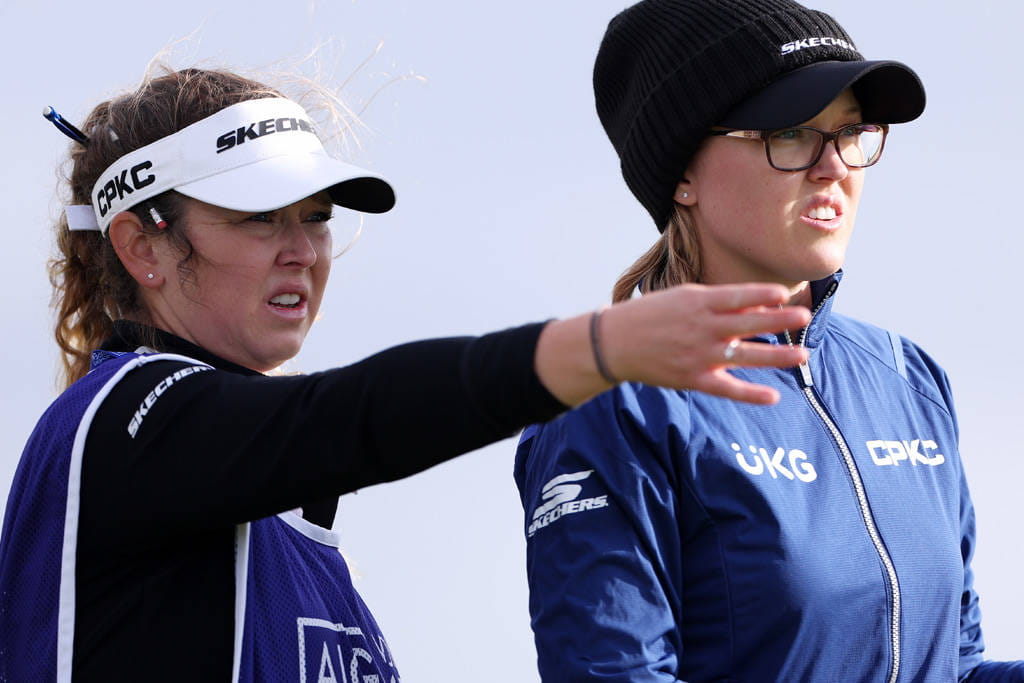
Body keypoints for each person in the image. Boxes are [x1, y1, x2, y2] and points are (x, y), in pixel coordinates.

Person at [0, 67, 812, 682]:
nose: (301, 248)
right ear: (141, 246)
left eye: (316, 217)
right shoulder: (125, 418)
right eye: (256, 217)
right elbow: (353, 417)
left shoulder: (285, 521)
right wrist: (596, 348)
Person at [514, 1, 1024, 681]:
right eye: (791, 134)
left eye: (851, 133)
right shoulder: (613, 400)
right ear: (683, 175)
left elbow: (952, 666)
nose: (834, 167)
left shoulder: (908, 377)